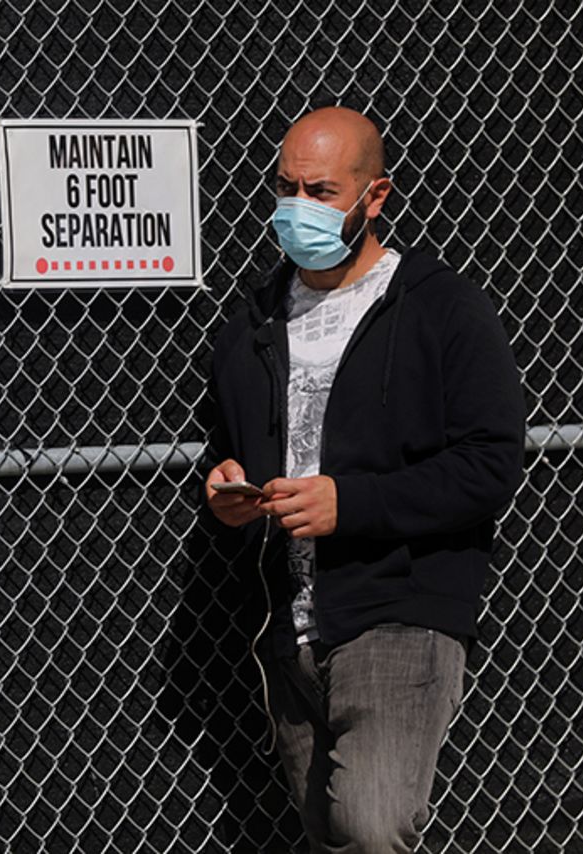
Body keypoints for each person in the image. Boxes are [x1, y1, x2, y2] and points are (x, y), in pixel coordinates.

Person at [202, 107, 525, 853]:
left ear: (373, 198)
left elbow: (489, 463)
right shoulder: (254, 319)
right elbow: (228, 446)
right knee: (327, 835)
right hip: (289, 623)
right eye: (285, 188)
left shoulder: (442, 309)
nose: (296, 209)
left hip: (399, 611)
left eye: (320, 191)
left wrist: (353, 503)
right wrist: (225, 487)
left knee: (372, 826)